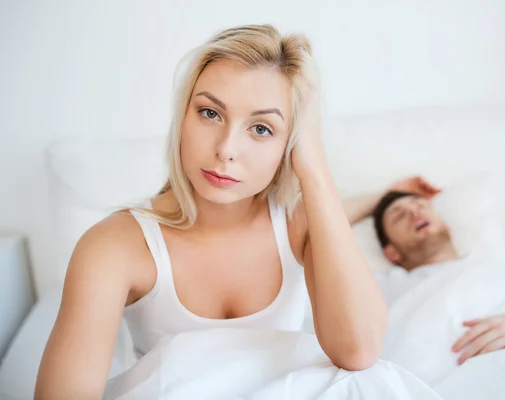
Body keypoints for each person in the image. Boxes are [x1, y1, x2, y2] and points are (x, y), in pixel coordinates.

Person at [35, 25, 388, 399]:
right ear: (182, 116)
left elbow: (359, 349)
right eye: (209, 113)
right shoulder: (115, 246)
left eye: (261, 129)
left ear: (290, 143)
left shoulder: (299, 222)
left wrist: (314, 169)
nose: (226, 149)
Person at [345, 176, 505, 365]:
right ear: (392, 253)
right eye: (399, 216)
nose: (414, 212)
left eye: (421, 205)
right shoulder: (382, 286)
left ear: (445, 223)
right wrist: (387, 193)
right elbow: (314, 227)